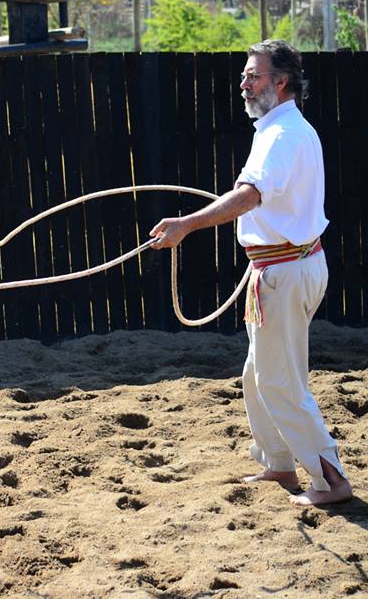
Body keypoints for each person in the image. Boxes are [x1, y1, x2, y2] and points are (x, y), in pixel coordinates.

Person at [149, 40, 352, 507]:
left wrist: (187, 224)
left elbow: (249, 195)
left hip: (284, 271)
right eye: (245, 74)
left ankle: (332, 480)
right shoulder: (280, 129)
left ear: (280, 82)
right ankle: (279, 465)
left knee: (279, 380)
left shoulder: (281, 135)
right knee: (258, 373)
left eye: (254, 75)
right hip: (286, 267)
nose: (244, 83)